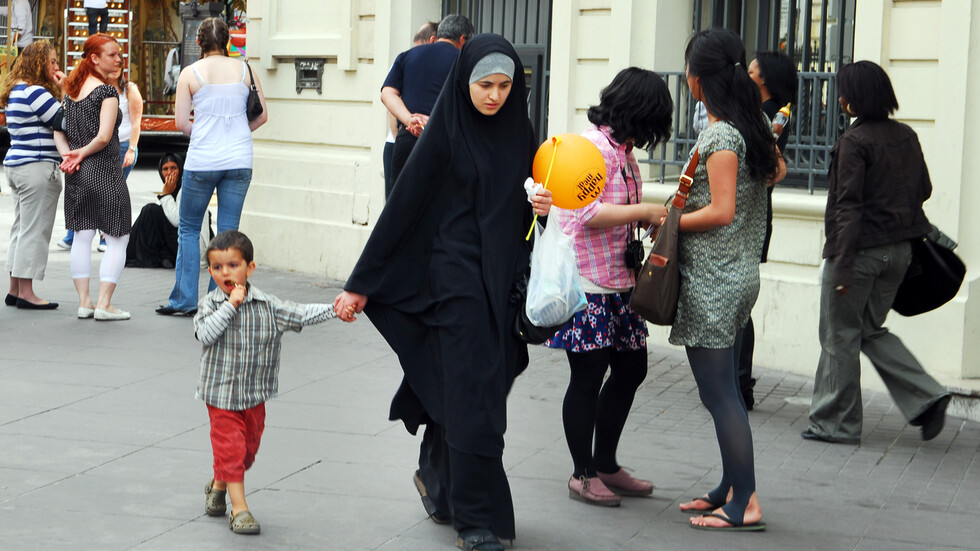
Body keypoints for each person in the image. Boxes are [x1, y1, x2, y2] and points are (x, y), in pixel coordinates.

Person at [335, 34, 553, 551]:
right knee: (476, 397)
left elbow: (527, 206)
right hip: (453, 280)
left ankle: (437, 474)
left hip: (501, 284)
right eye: (484, 85)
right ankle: (476, 519)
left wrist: (542, 206)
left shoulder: (520, 133)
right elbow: (404, 206)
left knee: (479, 386)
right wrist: (361, 283)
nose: (494, 95)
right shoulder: (445, 132)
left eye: (504, 85)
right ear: (465, 82)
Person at [802, 61, 951, 445]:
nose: (839, 99)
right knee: (867, 330)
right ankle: (927, 396)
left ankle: (835, 424)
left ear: (854, 99)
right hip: (900, 253)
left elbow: (848, 206)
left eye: (843, 92)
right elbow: (925, 189)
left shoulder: (854, 142)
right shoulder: (906, 135)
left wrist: (843, 266)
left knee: (839, 337)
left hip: (859, 255)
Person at [672, 29, 784, 531]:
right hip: (740, 275)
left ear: (697, 81)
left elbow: (720, 211)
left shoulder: (720, 135)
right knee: (727, 394)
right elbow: (776, 171)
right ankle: (730, 487)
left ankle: (746, 504)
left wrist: (668, 219)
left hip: (714, 280)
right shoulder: (753, 125)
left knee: (719, 395)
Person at [544, 67, 672, 507]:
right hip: (589, 284)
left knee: (632, 369)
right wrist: (643, 210)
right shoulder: (592, 149)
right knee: (587, 377)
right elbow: (582, 213)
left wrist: (645, 214)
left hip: (619, 283)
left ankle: (606, 464)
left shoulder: (623, 152)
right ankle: (582, 473)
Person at [195, 230, 337, 535]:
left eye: (233, 265)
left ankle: (219, 486)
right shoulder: (209, 305)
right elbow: (206, 334)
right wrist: (230, 305)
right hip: (220, 395)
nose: (225, 273)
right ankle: (240, 509)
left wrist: (336, 309)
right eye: (217, 268)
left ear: (250, 268)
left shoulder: (268, 306)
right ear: (210, 272)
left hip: (254, 394)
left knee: (247, 450)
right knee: (231, 448)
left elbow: (301, 313)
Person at [156, 17, 268, 317]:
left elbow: (181, 123)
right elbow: (262, 116)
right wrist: (237, 134)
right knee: (229, 233)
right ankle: (219, 298)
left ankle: (184, 300)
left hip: (203, 159)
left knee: (190, 229)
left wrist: (207, 133)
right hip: (240, 159)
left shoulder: (190, 73)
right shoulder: (246, 70)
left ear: (199, 42)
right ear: (228, 40)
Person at [737, 50, 798, 409]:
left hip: (750, 214)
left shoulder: (768, 113)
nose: (747, 70)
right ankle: (739, 380)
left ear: (765, 75)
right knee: (742, 304)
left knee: (740, 306)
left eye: (752, 66)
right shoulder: (772, 110)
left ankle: (740, 382)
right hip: (759, 213)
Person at [60, 33, 132, 321]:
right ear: (94, 58)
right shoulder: (106, 93)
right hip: (105, 170)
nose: (118, 59)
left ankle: (84, 301)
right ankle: (104, 303)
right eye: (112, 54)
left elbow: (58, 130)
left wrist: (70, 155)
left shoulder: (72, 92)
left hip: (77, 174)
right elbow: (103, 137)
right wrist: (80, 154)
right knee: (118, 236)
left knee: (82, 234)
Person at [2, 40, 68, 310]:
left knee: (20, 229)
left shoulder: (15, 90)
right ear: (40, 63)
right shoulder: (36, 92)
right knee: (35, 231)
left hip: (17, 165)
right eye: (52, 61)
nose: (56, 66)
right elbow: (64, 120)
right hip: (37, 166)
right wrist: (66, 91)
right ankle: (28, 293)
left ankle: (15, 289)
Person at [380, 14, 473, 188]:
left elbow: (387, 93)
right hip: (445, 143)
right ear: (463, 39)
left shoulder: (406, 56)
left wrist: (410, 120)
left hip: (407, 140)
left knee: (400, 208)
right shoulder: (464, 61)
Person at [59, 69, 142, 252]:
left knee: (108, 195)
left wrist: (131, 149)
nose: (114, 65)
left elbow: (136, 122)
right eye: (110, 58)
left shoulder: (129, 90)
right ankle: (75, 233)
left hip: (120, 145)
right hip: (92, 147)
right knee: (89, 192)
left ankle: (105, 237)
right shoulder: (92, 89)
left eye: (117, 60)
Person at [126, 153, 211, 268]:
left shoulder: (187, 189)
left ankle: (133, 253)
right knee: (151, 212)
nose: (170, 172)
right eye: (165, 169)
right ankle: (126, 245)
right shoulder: (173, 190)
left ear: (181, 169)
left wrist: (166, 195)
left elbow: (177, 220)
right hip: (179, 243)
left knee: (150, 210)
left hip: (192, 253)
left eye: (173, 168)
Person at [383, 21, 438, 197]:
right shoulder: (408, 60)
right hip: (401, 142)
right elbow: (391, 108)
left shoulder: (407, 60)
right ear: (433, 40)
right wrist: (405, 134)